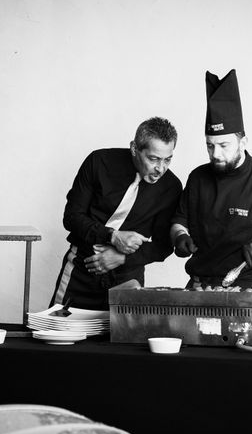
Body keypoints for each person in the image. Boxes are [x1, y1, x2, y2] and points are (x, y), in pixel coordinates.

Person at [171, 70, 252, 290]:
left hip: (244, 288)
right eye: (210, 145)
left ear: (243, 142)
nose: (216, 154)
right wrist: (180, 236)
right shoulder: (198, 178)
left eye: (224, 145)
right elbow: (179, 220)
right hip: (198, 288)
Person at [51, 117, 182, 310]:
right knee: (58, 332)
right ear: (134, 148)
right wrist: (112, 237)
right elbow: (72, 217)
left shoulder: (171, 187)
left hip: (127, 278)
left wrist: (123, 258)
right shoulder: (99, 162)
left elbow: (163, 246)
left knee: (123, 339)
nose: (160, 168)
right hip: (81, 270)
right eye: (153, 158)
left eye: (167, 159)